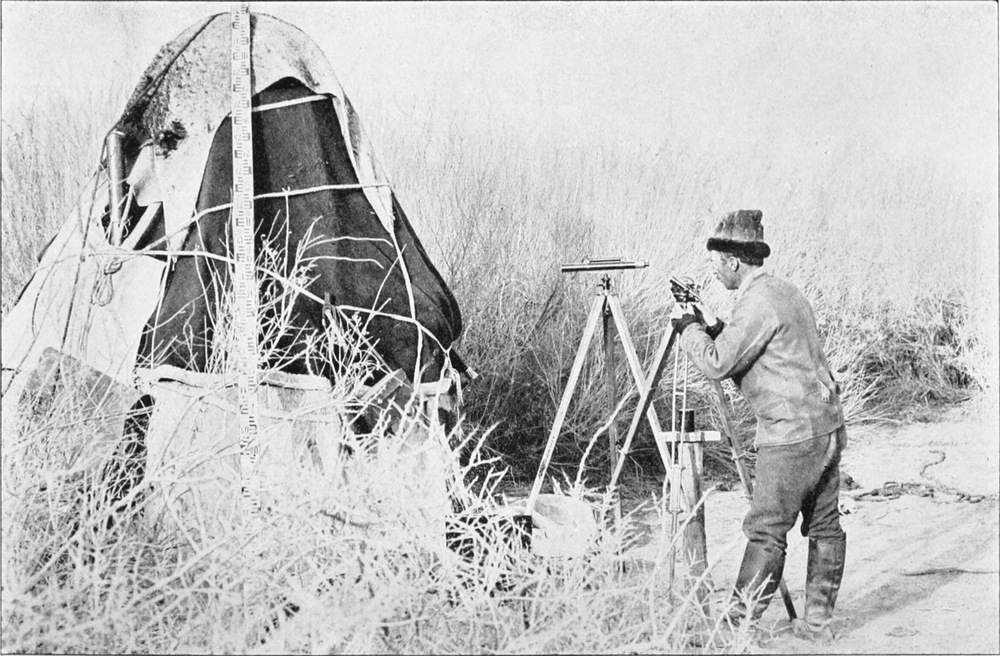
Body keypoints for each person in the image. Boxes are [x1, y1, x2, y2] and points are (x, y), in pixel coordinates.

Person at [668, 209, 847, 642]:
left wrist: (687, 329)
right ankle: (818, 625)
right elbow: (757, 347)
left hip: (791, 436)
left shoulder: (756, 301)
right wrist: (712, 324)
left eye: (716, 262)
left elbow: (717, 363)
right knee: (825, 526)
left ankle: (735, 630)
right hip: (825, 427)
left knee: (766, 532)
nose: (713, 271)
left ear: (733, 262)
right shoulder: (782, 290)